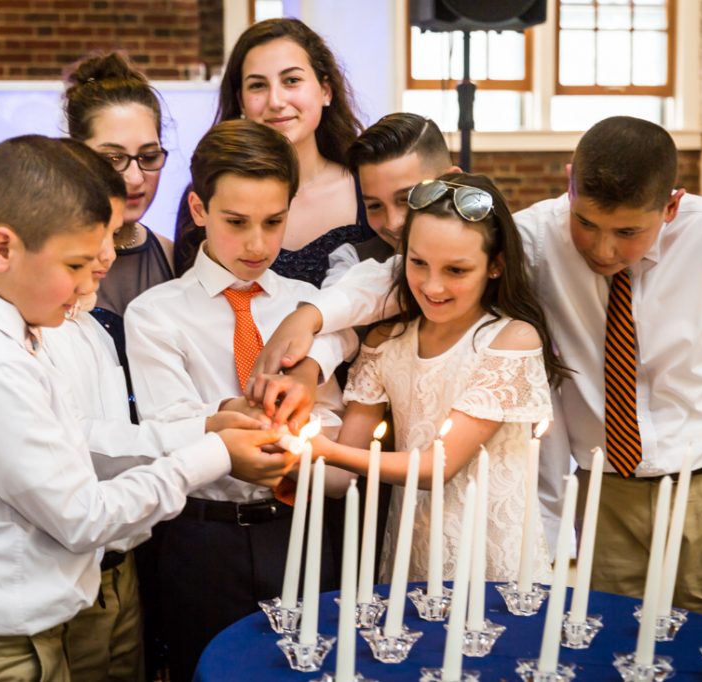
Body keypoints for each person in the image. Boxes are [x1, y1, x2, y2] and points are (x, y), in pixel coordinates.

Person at [250, 116, 702, 639]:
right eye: (588, 224)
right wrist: (311, 321)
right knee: (617, 647)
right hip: (606, 489)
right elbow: (405, 275)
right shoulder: (535, 234)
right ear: (569, 183)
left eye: (629, 232)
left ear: (671, 205)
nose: (604, 249)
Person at [0, 134, 290, 680]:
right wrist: (214, 453)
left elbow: (72, 437)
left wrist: (201, 429)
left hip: (23, 636)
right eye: (76, 266)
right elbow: (83, 516)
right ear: (2, 248)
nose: (86, 288)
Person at [124, 119, 357, 680]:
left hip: (299, 526)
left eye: (274, 221)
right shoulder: (155, 314)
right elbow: (172, 427)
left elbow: (331, 421)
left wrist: (308, 428)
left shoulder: (308, 305)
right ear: (200, 209)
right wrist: (248, 429)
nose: (258, 244)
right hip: (200, 539)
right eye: (236, 222)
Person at [40, 141, 265, 681]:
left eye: (114, 238)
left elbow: (125, 432)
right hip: (64, 577)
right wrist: (213, 446)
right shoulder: (28, 339)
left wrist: (211, 423)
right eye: (96, 242)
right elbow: (82, 444)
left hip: (123, 573)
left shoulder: (96, 325)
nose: (109, 257)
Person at [309, 172, 563, 582]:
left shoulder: (511, 339)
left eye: (456, 270)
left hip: (492, 557)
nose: (432, 285)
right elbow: (339, 479)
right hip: (415, 550)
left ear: (495, 266)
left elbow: (437, 468)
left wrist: (323, 449)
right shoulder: (386, 341)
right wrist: (286, 446)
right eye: (418, 263)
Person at [173, 18, 373, 286]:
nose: (276, 101)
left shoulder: (368, 189)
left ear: (325, 91)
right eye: (257, 85)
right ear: (241, 100)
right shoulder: (208, 194)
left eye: (291, 80)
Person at [63, 52, 175, 378]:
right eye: (114, 159)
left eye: (148, 156)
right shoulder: (48, 259)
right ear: (76, 154)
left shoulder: (174, 255)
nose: (135, 177)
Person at [324, 112, 457, 286]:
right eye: (375, 206)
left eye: (407, 199)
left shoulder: (493, 251)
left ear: (453, 182)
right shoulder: (352, 262)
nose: (392, 224)